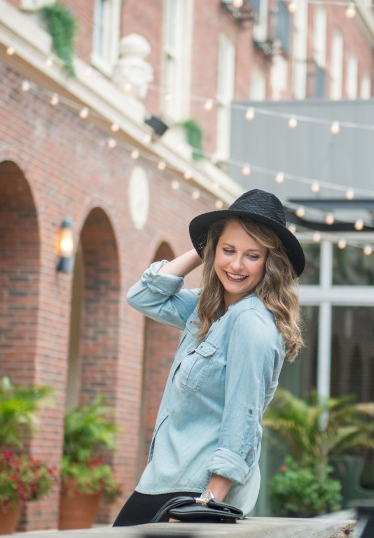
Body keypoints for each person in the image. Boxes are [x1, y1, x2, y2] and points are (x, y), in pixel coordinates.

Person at [112, 189, 305, 526]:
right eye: (228, 250)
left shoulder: (249, 322)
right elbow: (143, 296)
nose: (236, 265)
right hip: (165, 477)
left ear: (270, 262)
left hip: (195, 490)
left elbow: (243, 415)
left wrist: (210, 501)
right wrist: (205, 248)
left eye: (252, 255)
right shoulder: (209, 308)